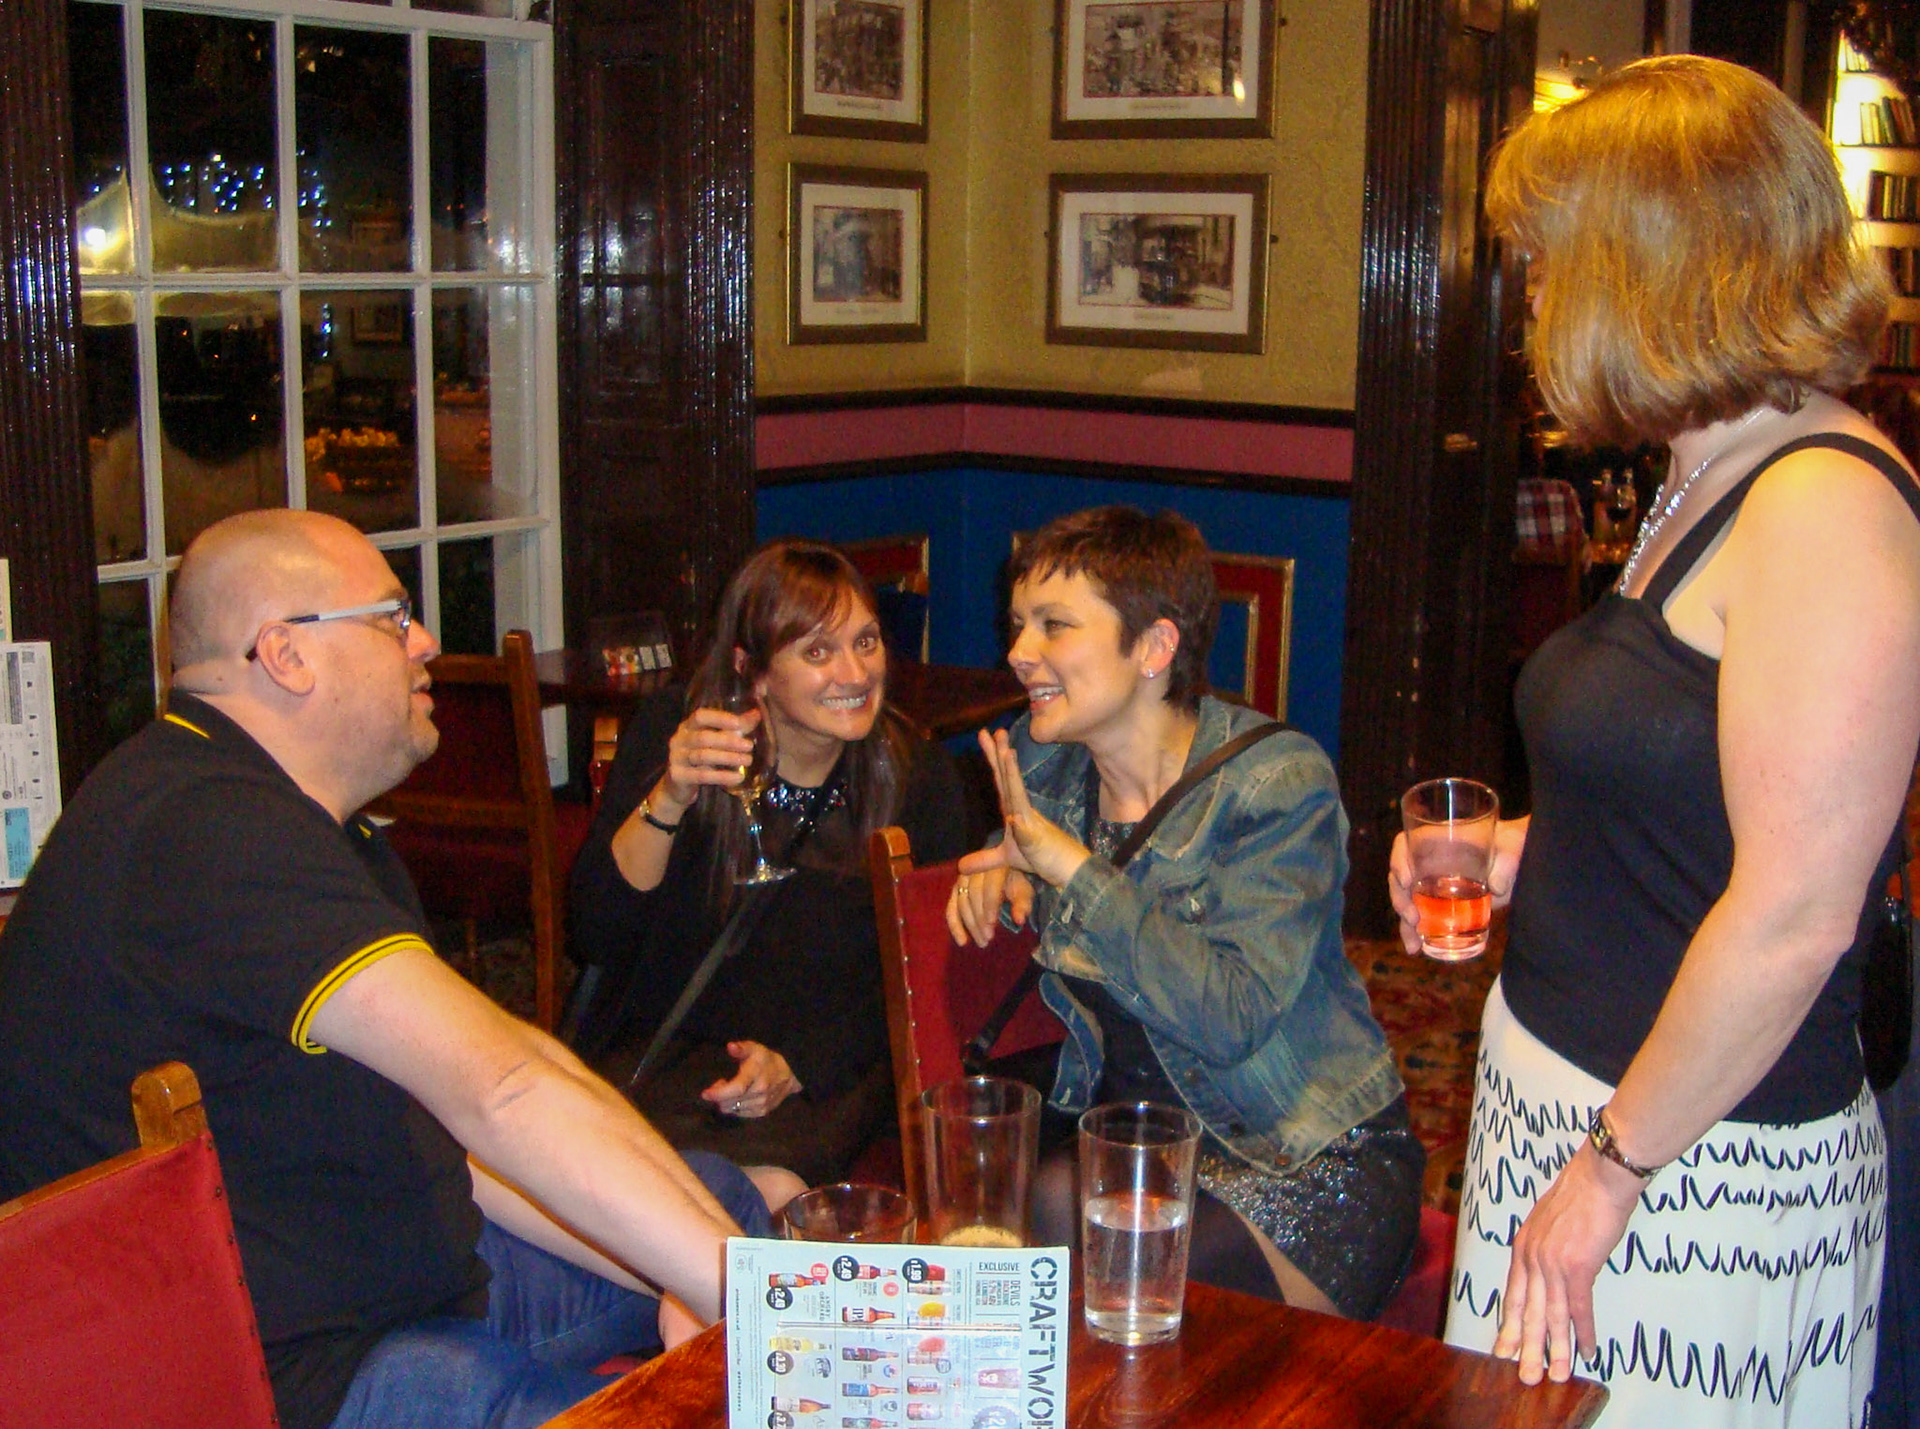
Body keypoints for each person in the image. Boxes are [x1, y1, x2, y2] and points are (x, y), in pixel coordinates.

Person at [1387, 57, 1920, 1426]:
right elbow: (1689, 783)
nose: (1538, 300)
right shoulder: (1704, 464)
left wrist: (1609, 1172)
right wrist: (1521, 847)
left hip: (1692, 1162)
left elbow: (1797, 913)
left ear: (1657, 269)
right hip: (1567, 1097)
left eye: (1555, 263)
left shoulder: (1826, 511)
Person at [0, 510, 778, 1429]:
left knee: (722, 1205)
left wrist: (723, 1283)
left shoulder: (310, 820)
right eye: (393, 615)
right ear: (287, 655)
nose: (427, 642)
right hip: (288, 1371)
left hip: (405, 1279)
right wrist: (773, 1320)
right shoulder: (201, 829)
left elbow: (488, 1100)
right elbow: (505, 1089)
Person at [948, 506, 1423, 1317]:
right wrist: (1001, 872)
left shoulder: (1278, 783)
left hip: (1301, 1153)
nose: (1018, 653)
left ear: (1155, 648)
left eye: (1053, 626)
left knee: (1128, 1264)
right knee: (1060, 1204)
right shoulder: (1046, 762)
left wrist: (1070, 866)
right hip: (1144, 1141)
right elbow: (1020, 856)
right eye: (1019, 624)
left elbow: (1230, 1015)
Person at [568, 540, 965, 1185]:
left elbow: (922, 979)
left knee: (756, 1196)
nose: (855, 673)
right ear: (751, 671)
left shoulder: (914, 779)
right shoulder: (681, 732)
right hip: (665, 1049)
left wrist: (800, 1063)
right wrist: (669, 797)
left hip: (819, 1073)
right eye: (817, 652)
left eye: (865, 643)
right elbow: (597, 933)